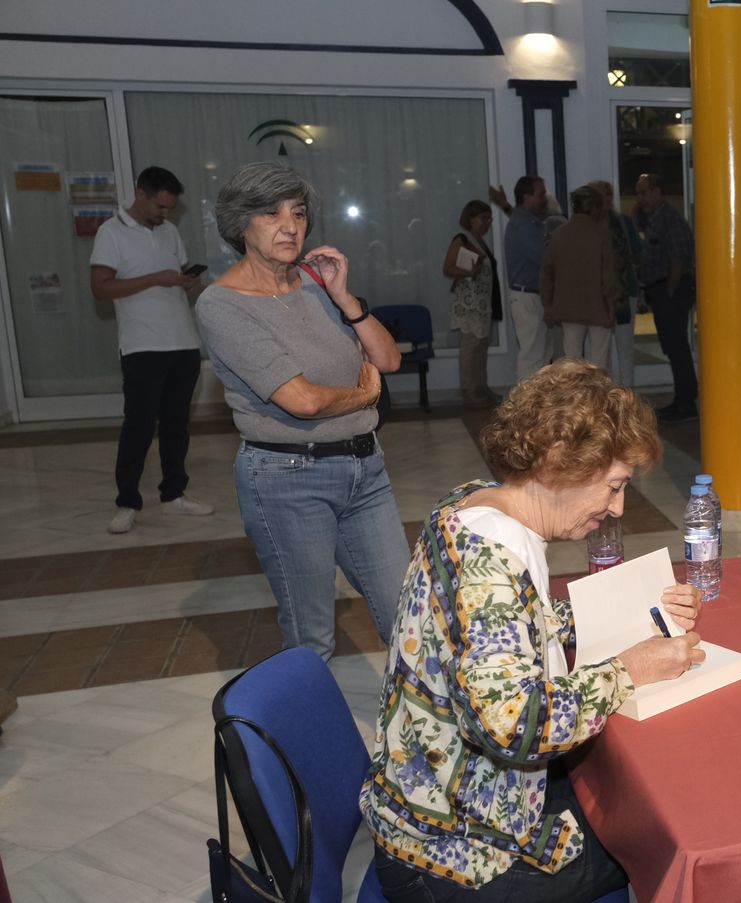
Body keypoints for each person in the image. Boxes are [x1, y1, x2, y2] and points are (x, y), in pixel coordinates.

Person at [361, 359, 704, 902]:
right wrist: (629, 670)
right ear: (557, 465)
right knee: (662, 838)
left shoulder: (471, 505)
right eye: (613, 486)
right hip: (458, 857)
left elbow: (507, 627)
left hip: (431, 804)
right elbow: (515, 726)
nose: (616, 507)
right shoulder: (492, 564)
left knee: (614, 795)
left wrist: (634, 615)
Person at [195, 162, 410, 661]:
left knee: (408, 611)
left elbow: (388, 360)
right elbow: (304, 400)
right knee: (312, 636)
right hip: (287, 478)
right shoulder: (222, 305)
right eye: (271, 214)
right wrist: (365, 395)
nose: (289, 225)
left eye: (298, 212)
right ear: (238, 225)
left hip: (365, 470)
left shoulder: (317, 283)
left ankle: (424, 733)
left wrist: (343, 297)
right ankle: (307, 738)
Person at [89, 165, 213, 534]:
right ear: (140, 194)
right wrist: (155, 279)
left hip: (183, 342)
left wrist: (183, 281)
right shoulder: (111, 232)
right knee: (139, 428)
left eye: (170, 208)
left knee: (177, 426)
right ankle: (127, 502)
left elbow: (172, 280)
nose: (165, 214)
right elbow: (100, 288)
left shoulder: (171, 231)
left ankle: (174, 495)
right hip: (142, 346)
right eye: (159, 206)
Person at [635, 173, 698, 420]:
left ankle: (686, 402)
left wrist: (670, 292)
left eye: (643, 193)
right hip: (663, 290)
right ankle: (683, 398)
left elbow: (678, 259)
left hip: (672, 290)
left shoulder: (669, 220)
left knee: (677, 346)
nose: (640, 199)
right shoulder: (655, 219)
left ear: (657, 192)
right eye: (638, 193)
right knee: (673, 347)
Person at [492, 176, 564, 380]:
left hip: (533, 297)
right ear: (527, 197)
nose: (544, 199)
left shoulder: (529, 221)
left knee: (541, 356)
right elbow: (546, 257)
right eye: (541, 194)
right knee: (532, 357)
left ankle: (535, 407)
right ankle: (526, 408)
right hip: (528, 298)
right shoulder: (523, 225)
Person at [541, 186, 620, 369]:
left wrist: (548, 305)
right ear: (595, 208)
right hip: (598, 307)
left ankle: (574, 396)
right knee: (598, 361)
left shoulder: (558, 235)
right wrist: (610, 308)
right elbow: (608, 277)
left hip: (568, 308)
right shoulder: (602, 235)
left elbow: (546, 273)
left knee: (571, 361)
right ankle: (596, 397)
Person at [443, 199, 500, 409]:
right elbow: (448, 267)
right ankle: (469, 389)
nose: (487, 223)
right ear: (470, 219)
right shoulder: (462, 239)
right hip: (469, 304)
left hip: (483, 303)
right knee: (470, 346)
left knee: (481, 347)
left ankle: (481, 386)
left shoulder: (479, 241)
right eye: (483, 218)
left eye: (489, 219)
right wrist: (469, 272)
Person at [588, 179, 644, 386]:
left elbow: (637, 252)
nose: (606, 200)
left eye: (608, 195)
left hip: (621, 292)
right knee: (602, 350)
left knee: (621, 347)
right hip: (602, 294)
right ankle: (607, 395)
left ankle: (625, 393)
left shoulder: (623, 223)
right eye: (602, 196)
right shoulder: (591, 226)